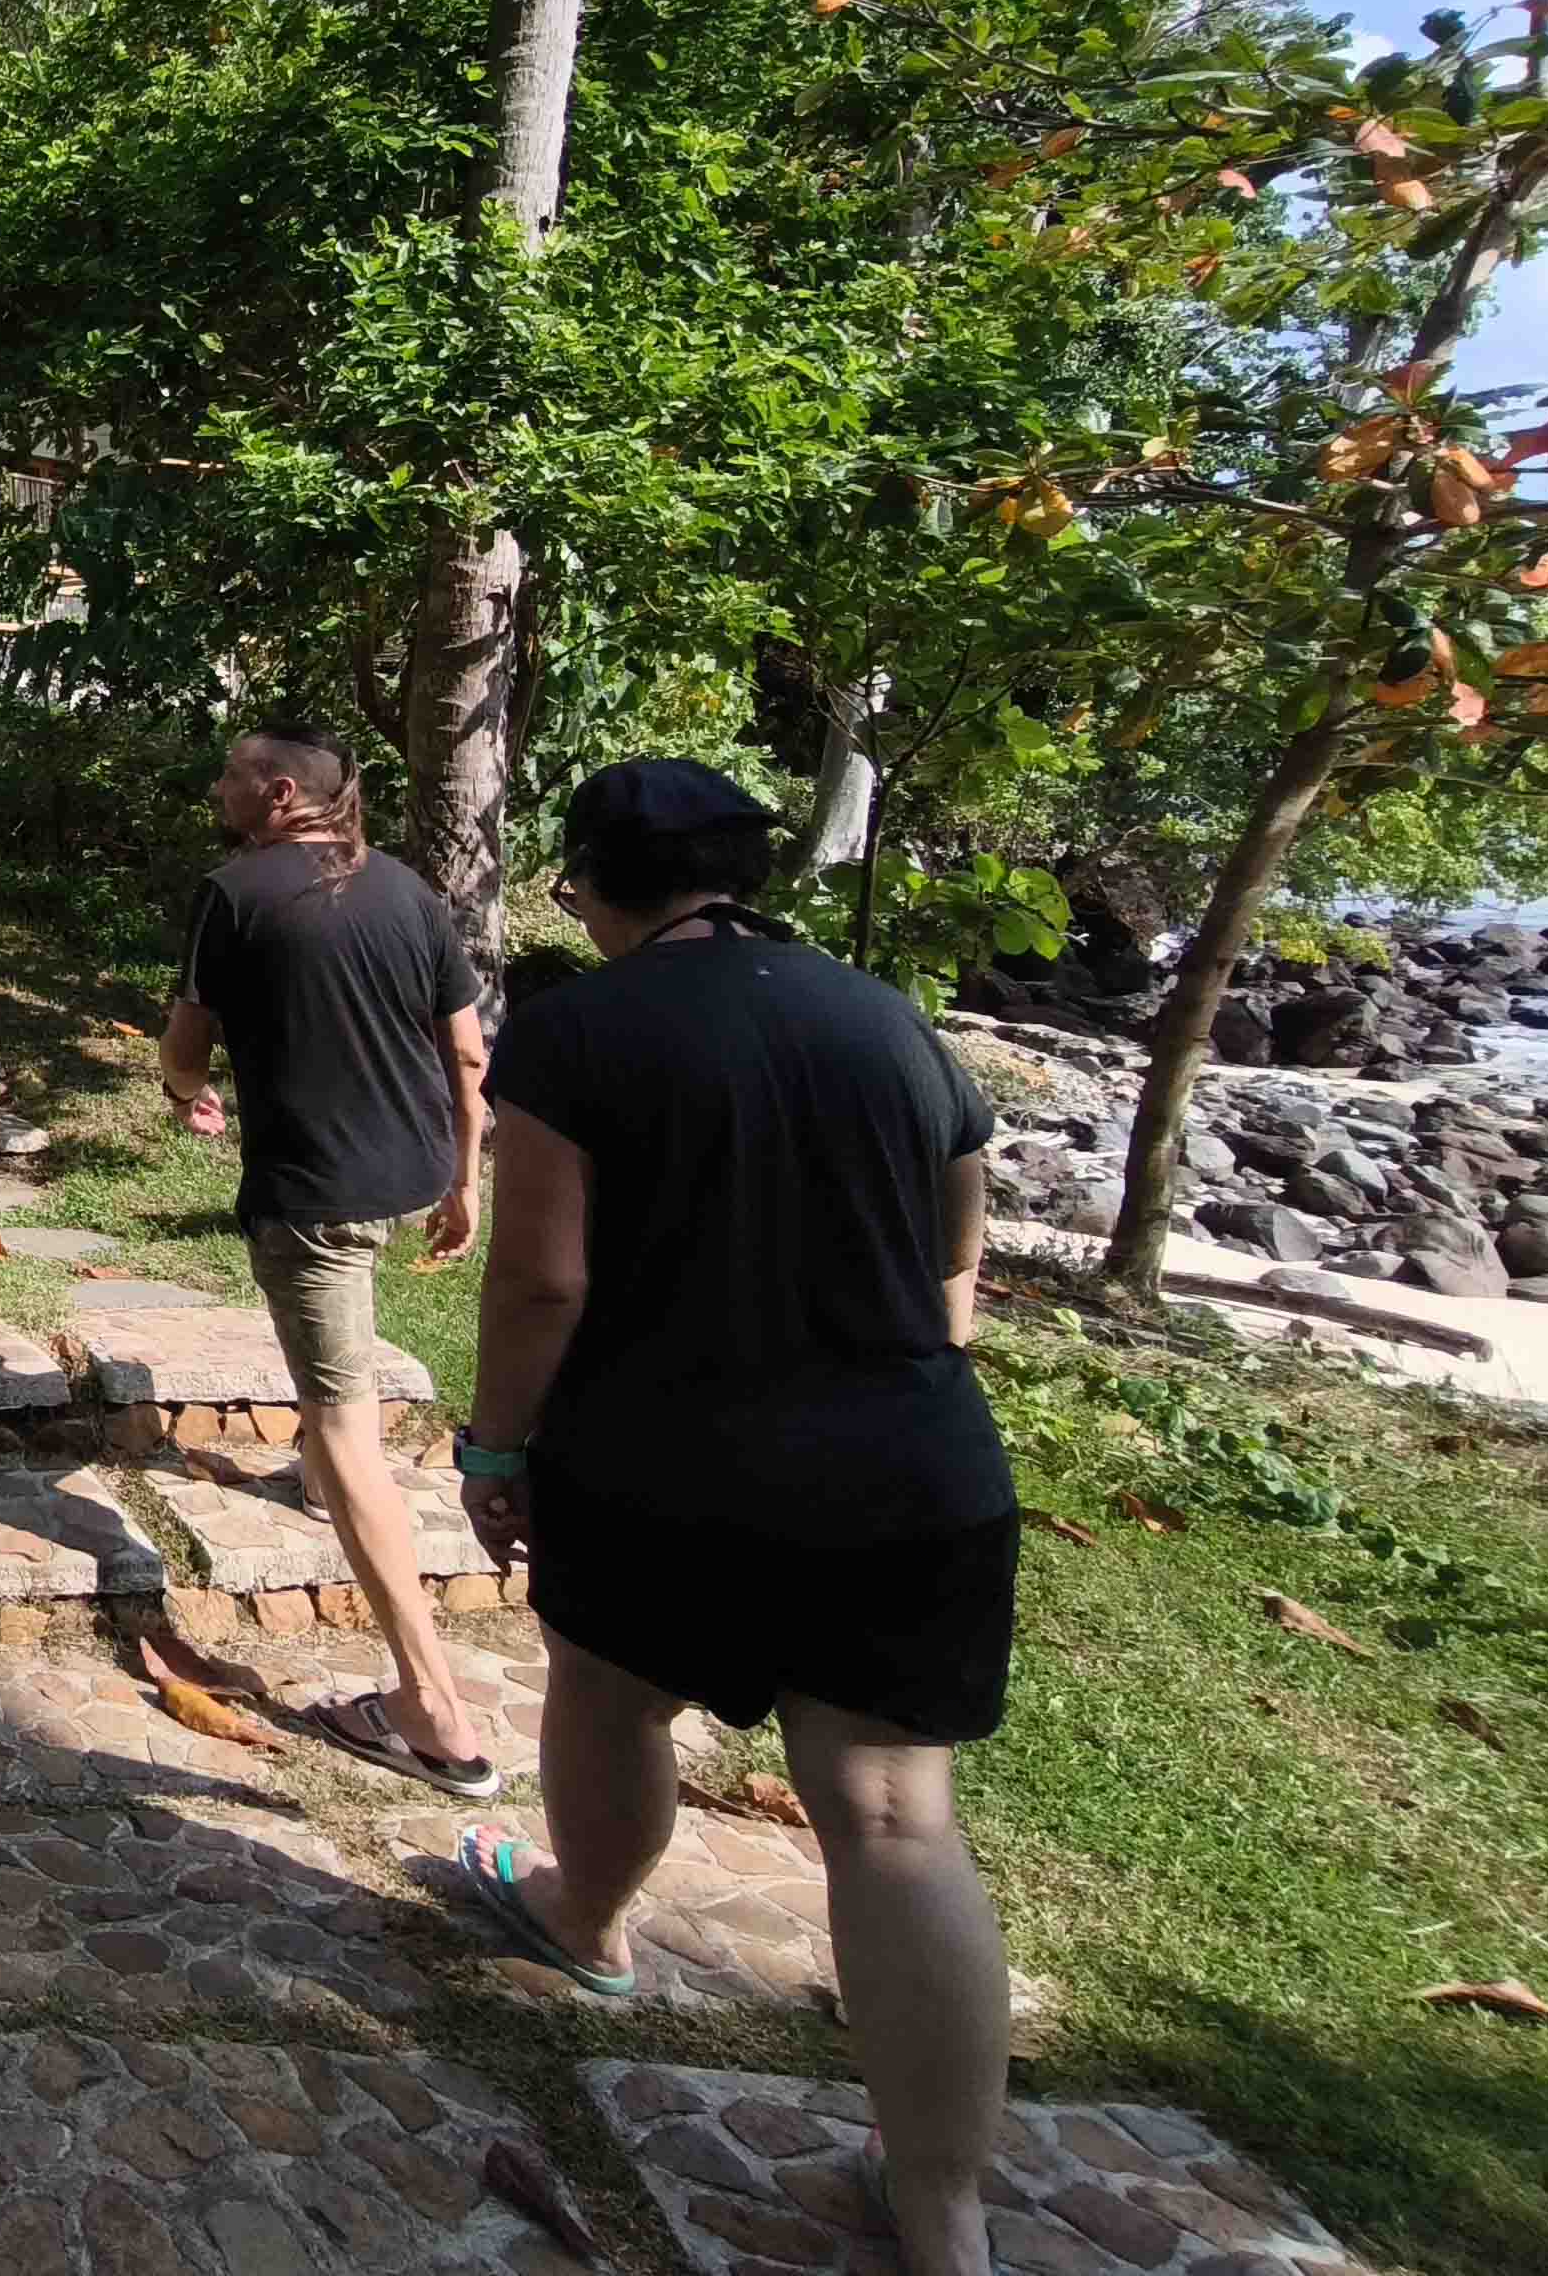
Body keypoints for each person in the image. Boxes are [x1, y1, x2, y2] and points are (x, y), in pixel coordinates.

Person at [449, 759, 1014, 2276]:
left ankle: (584, 1919)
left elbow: (542, 1279)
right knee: (894, 1818)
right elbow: (957, 1258)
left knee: (610, 1697)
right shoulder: (887, 1016)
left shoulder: (579, 1028)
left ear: (591, 884)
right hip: (912, 1463)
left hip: (666, 1455)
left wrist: (495, 1451)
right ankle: (944, 2211)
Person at [158, 723, 497, 1794]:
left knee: (345, 1420)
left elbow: (186, 1046)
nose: (217, 786)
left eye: (231, 773)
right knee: (337, 1379)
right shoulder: (406, 890)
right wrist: (465, 1175)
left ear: (276, 792)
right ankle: (314, 1481)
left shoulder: (234, 894)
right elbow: (466, 1050)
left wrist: (183, 1091)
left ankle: (433, 1710)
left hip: (316, 1195)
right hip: (409, 1172)